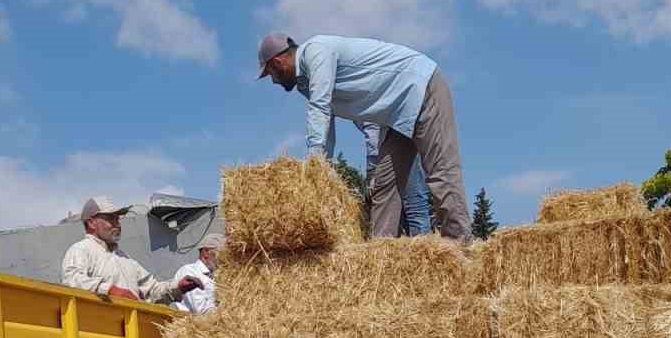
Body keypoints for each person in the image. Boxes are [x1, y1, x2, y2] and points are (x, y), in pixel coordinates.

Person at [257, 32, 469, 241]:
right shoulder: (305, 82)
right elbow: (326, 127)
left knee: (441, 173)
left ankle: (460, 249)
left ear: (277, 62)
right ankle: (380, 258)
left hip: (420, 87)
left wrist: (313, 168)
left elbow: (319, 109)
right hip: (395, 114)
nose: (274, 82)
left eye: (270, 75)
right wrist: (322, 170)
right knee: (385, 185)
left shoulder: (316, 51)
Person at [61, 198, 198, 305]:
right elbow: (72, 281)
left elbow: (151, 290)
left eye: (118, 219)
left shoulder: (126, 259)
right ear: (91, 223)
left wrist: (178, 287)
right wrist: (110, 290)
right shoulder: (81, 250)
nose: (118, 224)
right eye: (111, 219)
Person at [356, 122, 431, 236]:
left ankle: (423, 250)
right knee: (410, 206)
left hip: (398, 139)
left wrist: (372, 167)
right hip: (394, 141)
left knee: (414, 204)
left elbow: (372, 128)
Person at [171, 232, 223, 314]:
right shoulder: (190, 271)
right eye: (221, 254)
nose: (224, 259)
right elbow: (199, 310)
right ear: (206, 252)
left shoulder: (218, 278)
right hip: (190, 324)